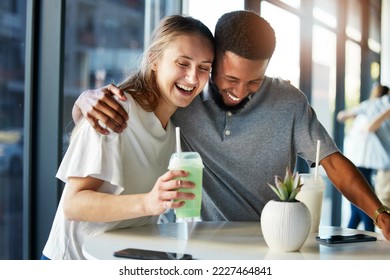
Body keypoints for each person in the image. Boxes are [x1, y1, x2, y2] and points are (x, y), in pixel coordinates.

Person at [72, 10, 390, 240]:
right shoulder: (185, 97)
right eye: (231, 78)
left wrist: (379, 213)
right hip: (192, 241)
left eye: (254, 81)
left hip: (267, 242)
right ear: (214, 63)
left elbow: (332, 162)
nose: (239, 92)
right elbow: (134, 98)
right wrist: (83, 100)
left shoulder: (288, 100)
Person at [41, 15, 214, 259]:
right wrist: (149, 202)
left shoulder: (176, 124)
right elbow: (73, 204)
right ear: (154, 60)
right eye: (183, 63)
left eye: (204, 68)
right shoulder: (115, 110)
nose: (193, 77)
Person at [336, 84, 389, 231]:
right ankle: (359, 233)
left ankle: (359, 233)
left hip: (359, 160)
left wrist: (352, 114)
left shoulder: (367, 107)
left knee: (360, 201)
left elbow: (341, 115)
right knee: (359, 203)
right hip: (371, 162)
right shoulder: (374, 108)